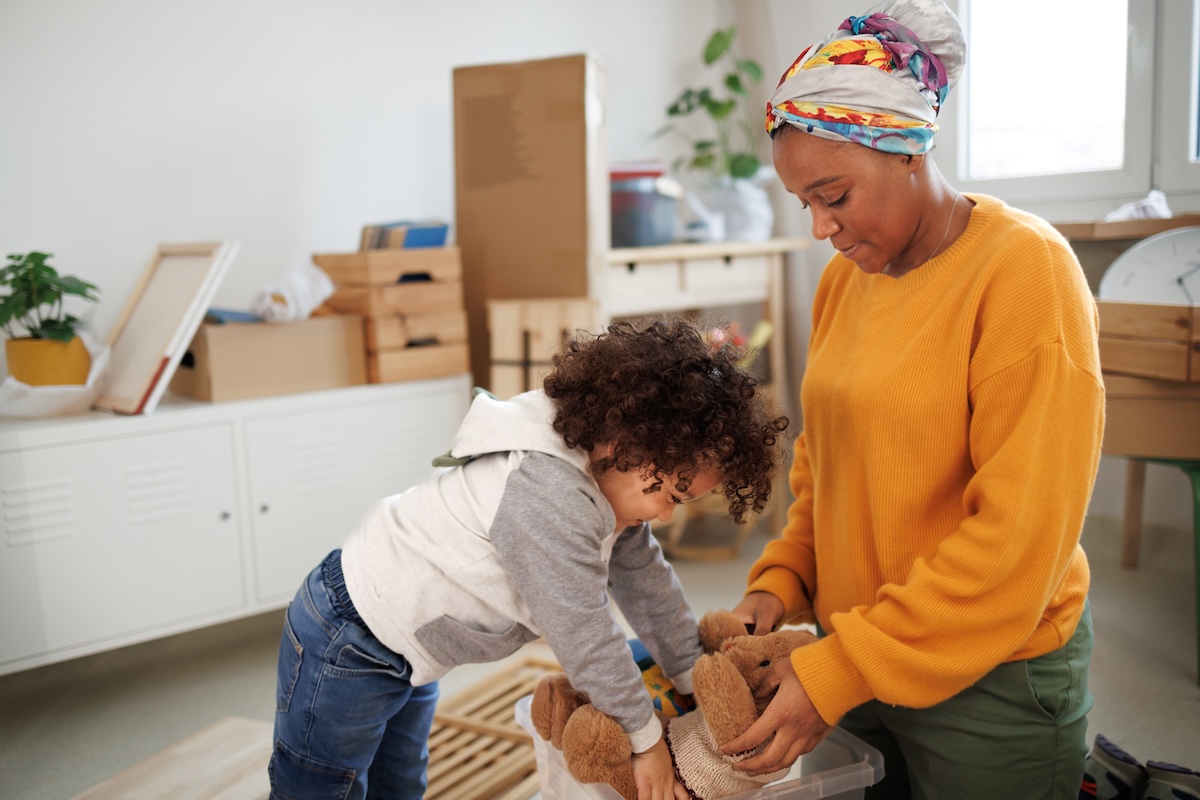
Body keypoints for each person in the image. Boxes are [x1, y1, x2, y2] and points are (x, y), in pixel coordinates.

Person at [719, 2, 1105, 798]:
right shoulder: (844, 282)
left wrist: (844, 666)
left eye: (834, 195)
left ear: (907, 149)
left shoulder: (1025, 273)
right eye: (805, 203)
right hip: (852, 656)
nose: (821, 228)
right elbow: (826, 471)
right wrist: (781, 579)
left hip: (992, 674)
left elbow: (1018, 542)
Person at [267, 318, 789, 800]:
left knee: (399, 784)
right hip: (353, 638)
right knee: (320, 787)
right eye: (672, 496)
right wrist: (646, 742)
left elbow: (649, 587)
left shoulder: (613, 484)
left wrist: (694, 681)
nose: (667, 516)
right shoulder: (548, 495)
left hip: (406, 650)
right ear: (628, 444)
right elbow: (584, 635)